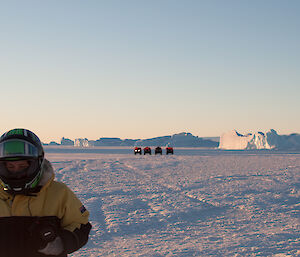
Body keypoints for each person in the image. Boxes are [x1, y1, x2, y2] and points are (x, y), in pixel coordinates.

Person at [0, 128, 92, 257]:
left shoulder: (59, 193)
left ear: (37, 163)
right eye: (10, 167)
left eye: (23, 166)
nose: (16, 172)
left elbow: (81, 224)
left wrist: (61, 243)